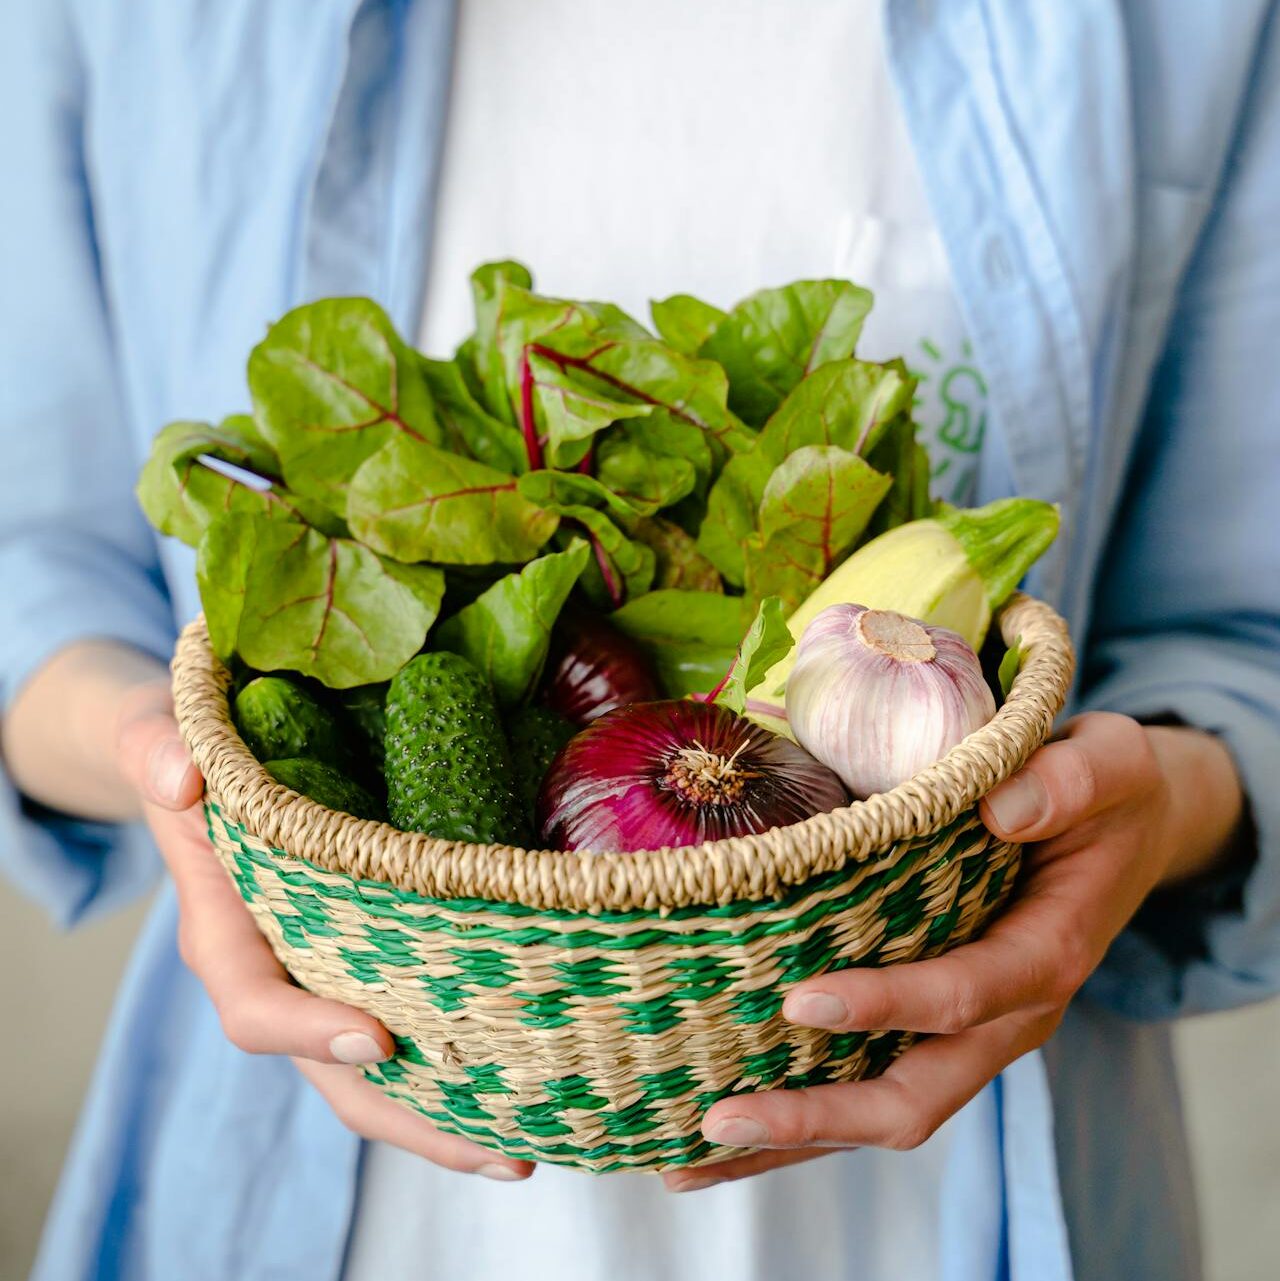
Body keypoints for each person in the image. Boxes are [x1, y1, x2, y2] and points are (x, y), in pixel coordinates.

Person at [2, 3, 1277, 1279]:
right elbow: (32, 571)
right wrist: (163, 767)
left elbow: (1241, 636)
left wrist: (1161, 802)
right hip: (300, 1169)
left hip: (960, 1184)